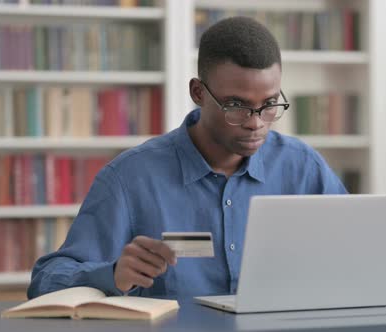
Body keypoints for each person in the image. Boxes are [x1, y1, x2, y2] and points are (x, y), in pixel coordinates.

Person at [27, 16, 347, 299]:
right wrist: (110, 276)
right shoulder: (130, 178)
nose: (255, 121)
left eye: (269, 104)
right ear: (198, 93)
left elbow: (358, 256)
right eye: (236, 105)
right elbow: (45, 281)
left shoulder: (302, 167)